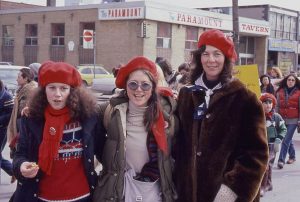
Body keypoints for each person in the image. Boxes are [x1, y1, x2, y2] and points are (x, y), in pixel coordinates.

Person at [174, 29, 268, 202]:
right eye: (206, 54)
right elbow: (179, 144)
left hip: (227, 195)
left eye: (217, 54)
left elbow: (256, 154)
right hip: (188, 193)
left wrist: (232, 190)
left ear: (226, 59)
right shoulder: (187, 94)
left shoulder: (245, 99)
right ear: (199, 57)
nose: (211, 60)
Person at [11, 61, 104, 202]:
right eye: (52, 88)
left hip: (82, 196)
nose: (57, 94)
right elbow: (20, 154)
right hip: (40, 197)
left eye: (63, 88)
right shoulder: (31, 118)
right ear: (44, 90)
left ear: (72, 91)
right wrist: (22, 166)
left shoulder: (88, 117)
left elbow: (104, 151)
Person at [93, 56, 178, 202]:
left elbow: (175, 155)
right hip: (118, 192)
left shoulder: (168, 116)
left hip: (155, 191)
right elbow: (100, 148)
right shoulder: (110, 112)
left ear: (153, 88)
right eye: (133, 84)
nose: (139, 90)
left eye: (145, 85)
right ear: (126, 86)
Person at [259, 93, 286, 197]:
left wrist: (279, 138)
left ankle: (263, 186)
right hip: (260, 145)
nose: (268, 105)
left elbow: (283, 129)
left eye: (270, 103)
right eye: (265, 103)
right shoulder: (258, 116)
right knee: (267, 165)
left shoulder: (276, 117)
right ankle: (269, 184)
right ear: (261, 104)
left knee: (266, 165)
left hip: (271, 145)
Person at [7, 68, 37, 158]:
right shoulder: (22, 90)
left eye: (19, 77)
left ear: (26, 78)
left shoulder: (30, 91)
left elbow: (23, 111)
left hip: (23, 126)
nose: (16, 79)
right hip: (20, 124)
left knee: (21, 149)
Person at [276, 74, 300, 169]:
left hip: (293, 120)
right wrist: (276, 117)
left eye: (292, 80)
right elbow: (277, 106)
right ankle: (292, 156)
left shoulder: (299, 93)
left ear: (295, 82)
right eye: (289, 80)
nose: (290, 81)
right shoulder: (280, 92)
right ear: (286, 81)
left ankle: (281, 160)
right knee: (287, 139)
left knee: (285, 140)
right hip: (282, 119)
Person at [0, 79, 15, 182]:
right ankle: (14, 172)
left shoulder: (6, 96)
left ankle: (15, 172)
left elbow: (10, 115)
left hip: (2, 130)